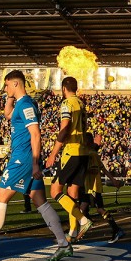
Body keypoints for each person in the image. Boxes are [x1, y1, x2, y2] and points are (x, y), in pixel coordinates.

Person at [0, 70, 71, 261]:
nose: (4, 89)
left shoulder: (26, 104)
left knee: (0, 198)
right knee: (40, 201)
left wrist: (36, 164)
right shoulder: (22, 104)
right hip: (25, 159)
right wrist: (8, 97)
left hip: (23, 159)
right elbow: (7, 115)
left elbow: (36, 134)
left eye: (6, 85)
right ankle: (63, 244)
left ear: (15, 84)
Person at [45, 77, 93, 242]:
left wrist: (53, 154)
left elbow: (64, 129)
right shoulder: (81, 104)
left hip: (71, 151)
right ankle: (72, 233)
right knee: (72, 193)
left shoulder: (67, 104)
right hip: (83, 152)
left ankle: (83, 220)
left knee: (55, 191)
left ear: (64, 88)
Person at [81, 133, 125, 243]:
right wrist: (114, 180)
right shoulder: (91, 153)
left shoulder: (90, 155)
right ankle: (83, 227)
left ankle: (116, 229)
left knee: (98, 209)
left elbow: (98, 169)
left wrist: (114, 180)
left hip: (92, 187)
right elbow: (102, 169)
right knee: (82, 208)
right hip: (89, 186)